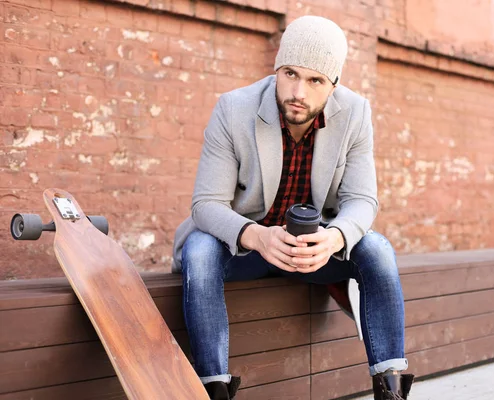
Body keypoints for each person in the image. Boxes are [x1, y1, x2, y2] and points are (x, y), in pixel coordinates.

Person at [171, 15, 413, 400]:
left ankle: (391, 390)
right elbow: (206, 204)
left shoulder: (355, 113)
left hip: (315, 255)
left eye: (315, 80)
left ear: (333, 85)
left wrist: (334, 239)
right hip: (245, 249)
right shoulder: (234, 109)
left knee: (378, 249)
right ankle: (213, 389)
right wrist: (257, 237)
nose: (298, 91)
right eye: (290, 73)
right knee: (199, 249)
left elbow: (362, 200)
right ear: (277, 69)